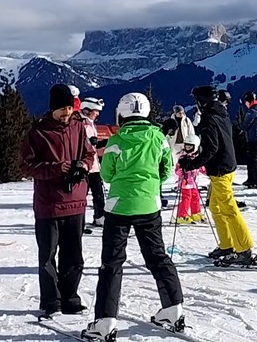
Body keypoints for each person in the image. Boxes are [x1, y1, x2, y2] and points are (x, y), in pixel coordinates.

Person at [82, 93, 185, 340]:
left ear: (122, 113)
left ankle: (105, 321)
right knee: (158, 256)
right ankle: (173, 309)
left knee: (112, 263)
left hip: (119, 208)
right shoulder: (158, 138)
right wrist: (150, 185)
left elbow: (106, 174)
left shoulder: (117, 140)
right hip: (149, 205)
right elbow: (167, 170)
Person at [21, 83, 95, 318]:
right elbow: (26, 166)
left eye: (69, 108)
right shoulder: (38, 132)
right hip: (49, 204)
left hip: (76, 201)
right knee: (48, 257)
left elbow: (89, 153)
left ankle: (70, 298)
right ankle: (51, 302)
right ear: (52, 109)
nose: (66, 113)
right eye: (61, 109)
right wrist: (57, 168)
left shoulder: (79, 126)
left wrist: (83, 165)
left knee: (74, 256)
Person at [179, 86, 256, 266]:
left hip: (220, 169)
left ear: (202, 101)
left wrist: (192, 164)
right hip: (227, 166)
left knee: (228, 208)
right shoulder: (222, 114)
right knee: (216, 206)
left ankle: (244, 250)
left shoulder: (208, 119)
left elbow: (211, 148)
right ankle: (227, 244)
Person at [165, 105, 204, 225]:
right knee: (186, 198)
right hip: (186, 181)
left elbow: (191, 130)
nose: (181, 114)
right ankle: (182, 215)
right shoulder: (172, 121)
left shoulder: (186, 121)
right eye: (179, 113)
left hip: (194, 181)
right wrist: (181, 172)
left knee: (195, 197)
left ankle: (196, 213)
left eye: (182, 112)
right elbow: (178, 169)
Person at [79, 97, 107, 231]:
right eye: (95, 111)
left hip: (94, 167)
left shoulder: (90, 124)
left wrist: (103, 143)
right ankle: (79, 222)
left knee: (99, 194)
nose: (98, 114)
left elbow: (93, 146)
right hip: (84, 167)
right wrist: (91, 143)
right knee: (81, 196)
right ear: (87, 110)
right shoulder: (81, 124)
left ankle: (100, 218)